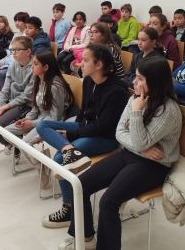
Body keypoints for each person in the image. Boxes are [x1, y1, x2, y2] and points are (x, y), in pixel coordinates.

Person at [57, 56, 182, 250]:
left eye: (140, 79)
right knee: (80, 186)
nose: (134, 82)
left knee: (108, 202)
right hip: (131, 155)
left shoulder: (168, 110)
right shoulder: (136, 98)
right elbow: (119, 133)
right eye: (136, 77)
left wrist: (136, 113)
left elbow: (139, 140)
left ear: (155, 81)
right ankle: (86, 238)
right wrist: (141, 146)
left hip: (154, 165)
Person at [36, 44, 128, 229]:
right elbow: (84, 113)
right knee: (42, 125)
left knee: (60, 159)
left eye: (85, 60)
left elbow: (103, 126)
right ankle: (69, 149)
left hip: (106, 138)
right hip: (86, 127)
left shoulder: (117, 90)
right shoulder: (88, 80)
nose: (80, 63)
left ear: (99, 64)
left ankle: (69, 210)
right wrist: (72, 132)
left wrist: (72, 132)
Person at [4, 51, 74, 186]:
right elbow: (35, 108)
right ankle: (42, 162)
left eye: (35, 64)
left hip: (50, 123)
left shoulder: (55, 86)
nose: (32, 67)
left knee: (25, 144)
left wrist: (33, 123)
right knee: (7, 132)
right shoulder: (39, 80)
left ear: (46, 67)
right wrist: (26, 119)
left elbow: (56, 117)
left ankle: (43, 167)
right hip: (39, 119)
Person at [0, 36, 34, 155]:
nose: (13, 53)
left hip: (25, 105)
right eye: (12, 50)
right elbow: (5, 88)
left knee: (0, 123)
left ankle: (15, 145)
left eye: (17, 50)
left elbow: (26, 97)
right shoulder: (13, 64)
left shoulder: (34, 67)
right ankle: (11, 145)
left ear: (28, 52)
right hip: (10, 102)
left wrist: (4, 107)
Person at [0, 12, 29, 87]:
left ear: (25, 22)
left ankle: (5, 94)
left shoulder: (27, 35)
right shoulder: (16, 34)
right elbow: (10, 50)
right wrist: (3, 60)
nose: (17, 23)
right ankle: (1, 92)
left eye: (19, 21)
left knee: (2, 73)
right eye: (15, 20)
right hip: (11, 57)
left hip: (19, 60)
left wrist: (5, 62)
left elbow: (20, 53)